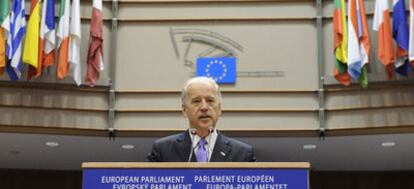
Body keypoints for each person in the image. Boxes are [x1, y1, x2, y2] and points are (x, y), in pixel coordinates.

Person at [147, 77, 256, 162]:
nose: (204, 107)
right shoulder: (163, 150)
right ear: (184, 110)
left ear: (219, 109)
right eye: (196, 101)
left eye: (210, 100)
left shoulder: (242, 153)